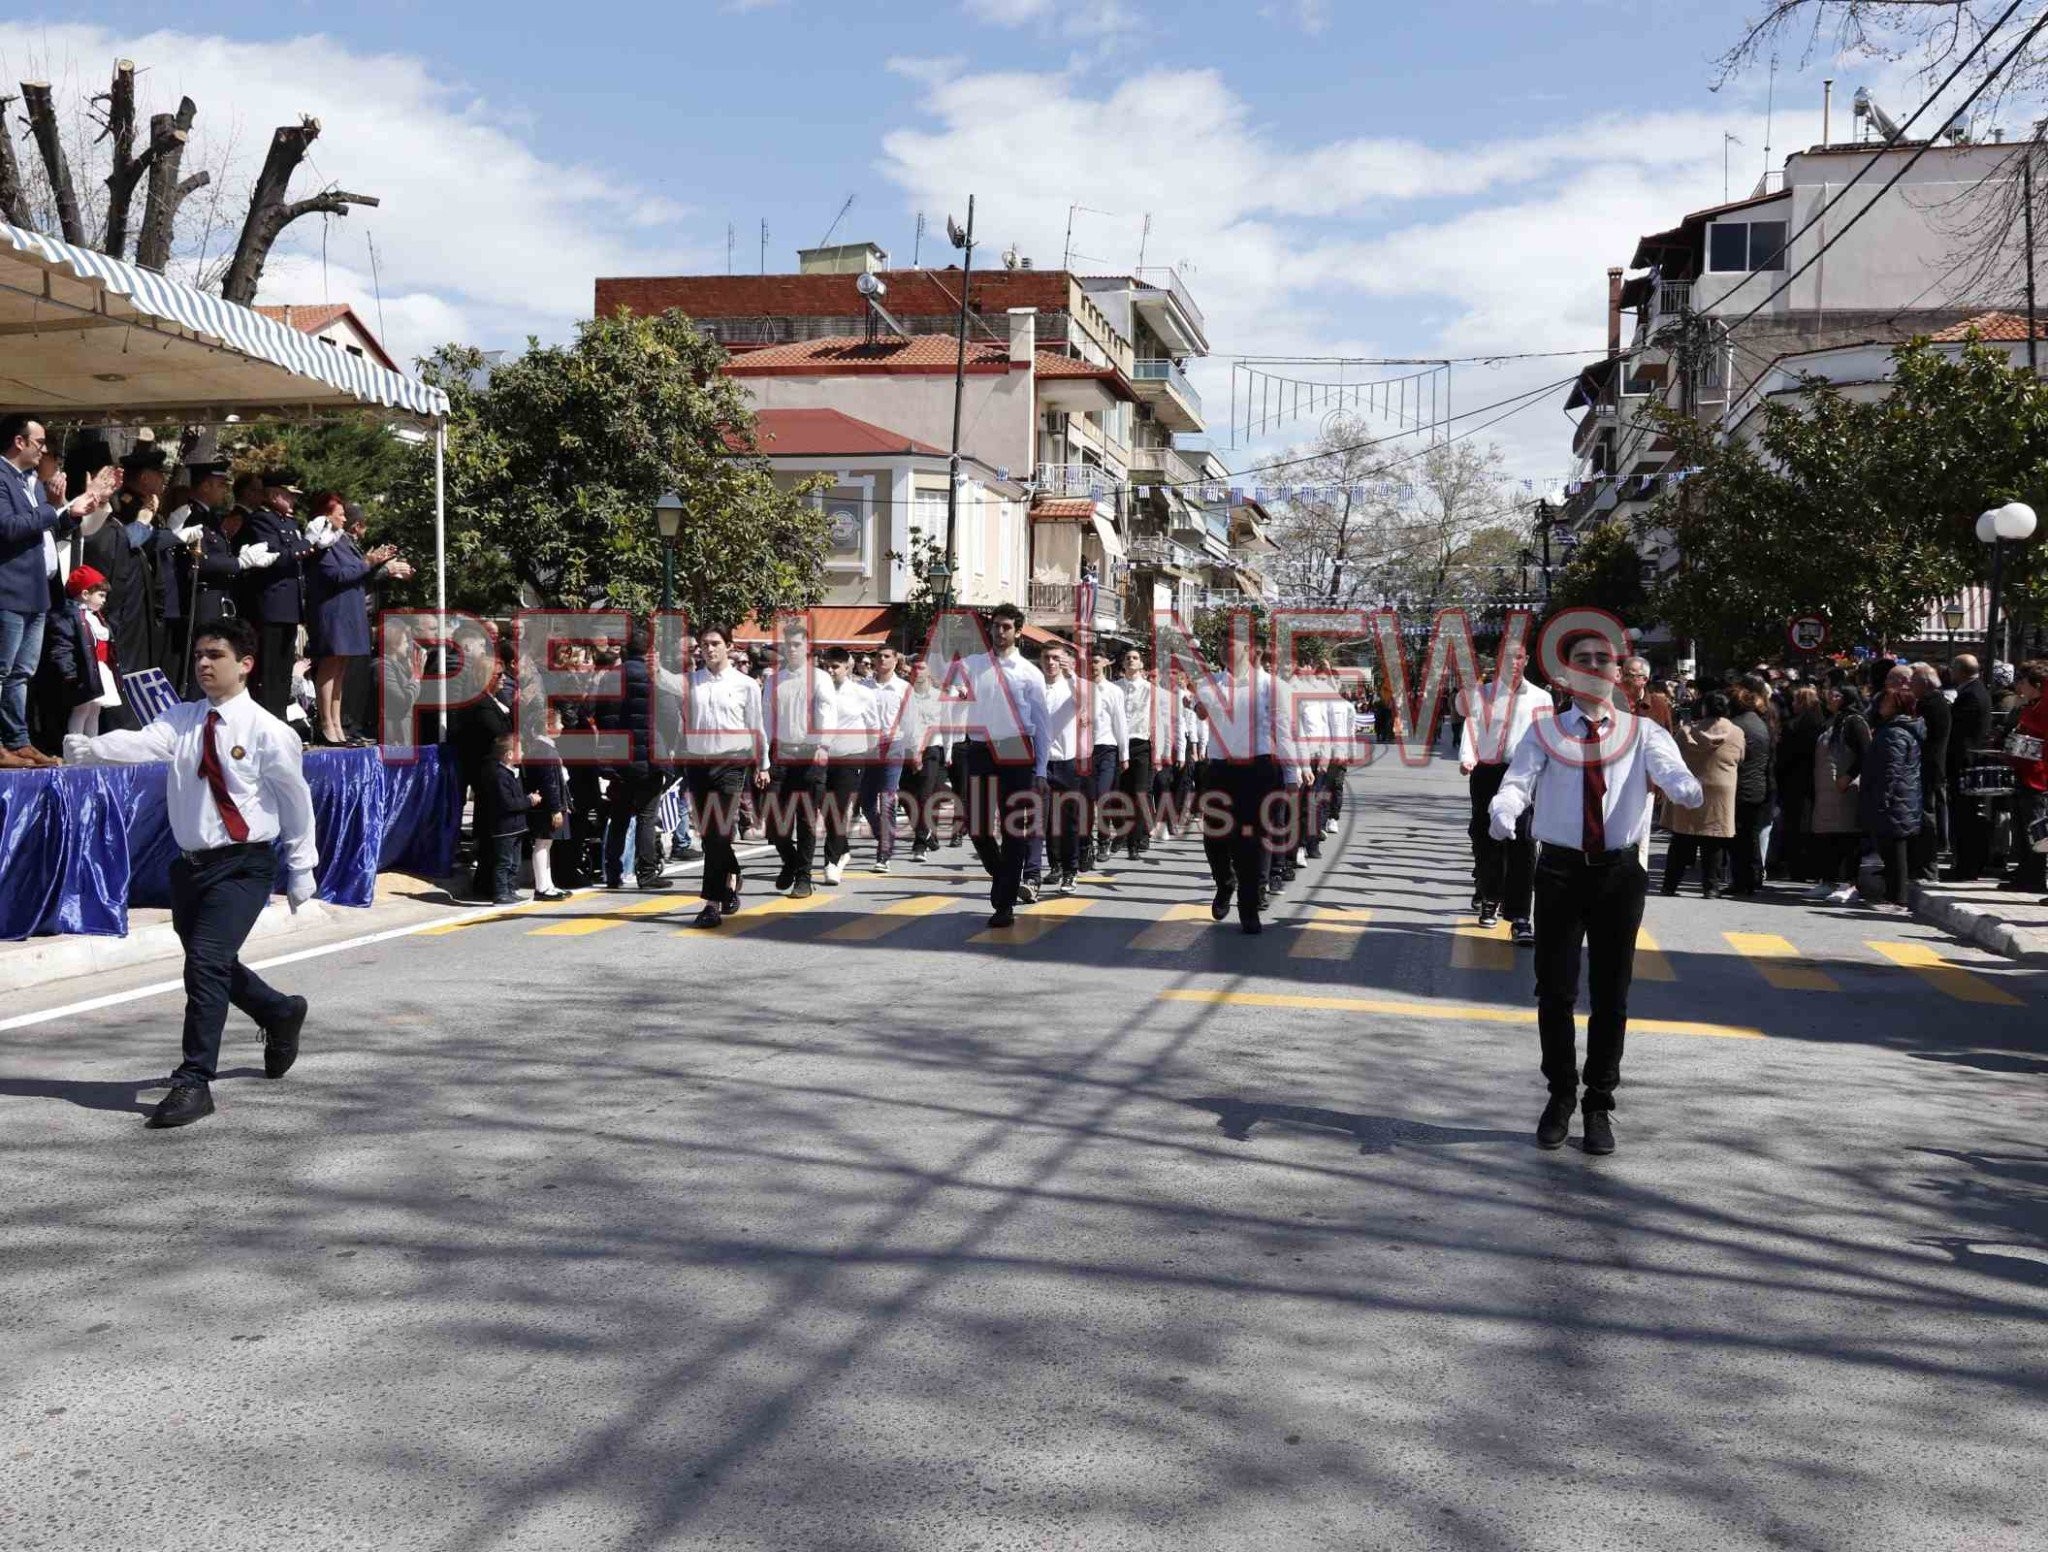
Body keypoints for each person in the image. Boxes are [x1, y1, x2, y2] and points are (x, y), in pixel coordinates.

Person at [61, 617, 316, 1129]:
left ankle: (194, 1080)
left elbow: (296, 801)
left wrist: (301, 865)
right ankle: (278, 1011)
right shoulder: (182, 720)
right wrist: (91, 750)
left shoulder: (270, 732)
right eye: (199, 654)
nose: (203, 663)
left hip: (245, 865)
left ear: (244, 665)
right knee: (211, 964)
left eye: (216, 655)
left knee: (204, 964)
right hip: (191, 868)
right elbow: (142, 743)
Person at [1488, 629, 1704, 1156]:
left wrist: (1683, 788)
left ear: (1615, 673)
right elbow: (1519, 780)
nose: (1593, 667)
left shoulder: (1645, 732)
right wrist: (1504, 808)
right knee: (1555, 991)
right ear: (1567, 675)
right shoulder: (1545, 732)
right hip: (1560, 872)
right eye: (1581, 659)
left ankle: (1599, 1105)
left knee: (1612, 994)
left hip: (1618, 874)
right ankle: (1560, 1096)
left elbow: (1673, 773)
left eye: (1602, 660)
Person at [2, 418, 120, 766]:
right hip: (9, 590)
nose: (44, 449)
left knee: (22, 672)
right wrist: (56, 509)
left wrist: (74, 512)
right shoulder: (3, 478)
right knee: (3, 670)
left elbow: (47, 530)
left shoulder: (34, 484)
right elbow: (9, 527)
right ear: (19, 442)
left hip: (39, 592)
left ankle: (17, 740)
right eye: (39, 442)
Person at [957, 602, 1050, 929]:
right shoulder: (973, 664)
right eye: (995, 626)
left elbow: (1042, 724)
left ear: (1019, 631)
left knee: (1013, 828)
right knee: (978, 826)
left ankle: (1004, 903)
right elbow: (951, 687)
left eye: (1006, 626)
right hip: (981, 748)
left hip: (1016, 747)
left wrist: (1040, 771)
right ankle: (1003, 875)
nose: (999, 632)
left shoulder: (1030, 674)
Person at [1191, 631, 1287, 935]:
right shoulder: (1208, 685)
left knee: (1252, 840)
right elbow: (1199, 709)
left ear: (1250, 649)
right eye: (1221, 643)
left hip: (1259, 769)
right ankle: (1225, 883)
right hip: (1220, 770)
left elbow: (1284, 730)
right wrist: (1197, 708)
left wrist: (1295, 773)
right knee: (1214, 836)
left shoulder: (1271, 687)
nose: (1223, 648)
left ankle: (1249, 907)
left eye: (1230, 643)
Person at [1458, 643, 1549, 939]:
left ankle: (1521, 916)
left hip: (1523, 773)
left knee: (1523, 842)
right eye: (1507, 657)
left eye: (1519, 657)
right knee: (1485, 839)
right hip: (1486, 773)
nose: (1513, 662)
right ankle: (1490, 897)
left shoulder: (1540, 698)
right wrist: (1467, 757)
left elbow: (1548, 739)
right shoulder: (1482, 696)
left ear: (1526, 660)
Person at [305, 492, 407, 746]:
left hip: (349, 612)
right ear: (326, 516)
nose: (344, 519)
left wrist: (376, 563)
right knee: (329, 669)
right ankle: (326, 723)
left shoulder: (344, 542)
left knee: (340, 671)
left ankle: (337, 722)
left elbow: (358, 573)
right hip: (333, 612)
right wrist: (368, 562)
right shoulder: (324, 543)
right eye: (339, 514)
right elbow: (336, 575)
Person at [680, 622, 764, 928]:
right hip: (698, 764)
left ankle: (711, 904)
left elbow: (757, 726)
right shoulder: (690, 683)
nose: (709, 649)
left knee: (719, 832)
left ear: (729, 646)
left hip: (731, 764)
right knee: (709, 835)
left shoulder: (746, 685)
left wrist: (763, 764)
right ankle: (731, 877)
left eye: (715, 643)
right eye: (704, 644)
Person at [597, 617, 672, 893]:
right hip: (649, 760)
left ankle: (613, 872)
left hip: (619, 759)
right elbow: (667, 717)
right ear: (648, 650)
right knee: (646, 816)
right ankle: (646, 871)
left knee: (618, 817)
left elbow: (601, 717)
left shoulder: (609, 678)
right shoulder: (653, 679)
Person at [237, 470, 315, 722]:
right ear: (273, 495)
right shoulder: (261, 521)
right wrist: (306, 544)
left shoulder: (289, 523)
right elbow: (276, 557)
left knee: (283, 668)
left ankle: (279, 718)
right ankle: (267, 720)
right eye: (288, 495)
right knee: (268, 669)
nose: (293, 501)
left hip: (288, 605)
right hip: (269, 604)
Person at [764, 617, 833, 899]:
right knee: (773, 820)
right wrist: (763, 757)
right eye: (787, 645)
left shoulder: (820, 678)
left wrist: (823, 745)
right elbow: (765, 718)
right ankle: (790, 860)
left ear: (807, 648)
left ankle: (803, 877)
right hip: (780, 755)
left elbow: (826, 713)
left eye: (796, 644)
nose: (791, 649)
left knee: (805, 820)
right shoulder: (774, 680)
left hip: (809, 755)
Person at [1663, 692, 1744, 897]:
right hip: (1721, 791)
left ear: (1704, 708)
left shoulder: (1686, 732)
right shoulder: (1737, 733)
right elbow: (1741, 758)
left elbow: (1673, 756)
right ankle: (1711, 888)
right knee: (1713, 841)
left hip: (1691, 788)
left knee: (1681, 839)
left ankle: (1669, 885)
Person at [1860, 680, 1926, 908]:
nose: (1881, 706)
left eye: (1886, 702)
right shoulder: (1897, 729)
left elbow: (1891, 770)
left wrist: (1882, 798)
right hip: (1900, 798)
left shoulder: (1895, 733)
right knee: (1890, 849)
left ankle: (1897, 898)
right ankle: (1892, 895)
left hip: (1896, 800)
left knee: (1894, 851)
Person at [41, 565, 124, 736]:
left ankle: (90, 748)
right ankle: (74, 748)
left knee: (95, 711)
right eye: (100, 595)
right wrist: (69, 672)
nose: (104, 600)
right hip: (83, 672)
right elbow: (63, 646)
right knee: (82, 710)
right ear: (85, 594)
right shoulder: (71, 616)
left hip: (99, 670)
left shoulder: (96, 618)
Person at [1807, 683, 1871, 905]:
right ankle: (1828, 880)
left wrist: (1848, 776)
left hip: (1846, 790)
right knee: (1828, 837)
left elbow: (1865, 754)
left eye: (1835, 695)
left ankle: (1849, 884)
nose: (1830, 698)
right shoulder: (1832, 721)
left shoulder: (1855, 722)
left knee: (1847, 837)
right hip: (1827, 792)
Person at [818, 646, 874, 887]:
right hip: (821, 758)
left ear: (848, 667)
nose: (830, 671)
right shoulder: (817, 693)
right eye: (826, 666)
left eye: (835, 667)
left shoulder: (862, 694)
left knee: (838, 808)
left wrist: (866, 754)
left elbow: (874, 728)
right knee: (824, 807)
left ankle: (831, 862)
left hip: (851, 757)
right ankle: (843, 849)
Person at [858, 643, 912, 874]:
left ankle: (884, 854)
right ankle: (883, 833)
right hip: (869, 748)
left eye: (886, 656)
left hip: (894, 747)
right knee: (866, 802)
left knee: (887, 798)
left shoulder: (903, 688)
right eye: (878, 656)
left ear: (896, 660)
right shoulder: (864, 686)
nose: (881, 660)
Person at [1037, 642, 1084, 893]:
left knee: (1068, 821)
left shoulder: (1073, 686)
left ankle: (1070, 871)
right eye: (1046, 657)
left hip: (1067, 763)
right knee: (1041, 821)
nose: (1051, 662)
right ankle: (1051, 867)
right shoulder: (1034, 686)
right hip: (1039, 763)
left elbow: (1083, 700)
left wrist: (1071, 675)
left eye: (1056, 658)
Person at [2000, 661, 2048, 895]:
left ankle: (2036, 876)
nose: (2020, 686)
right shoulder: (2033, 704)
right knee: (2021, 828)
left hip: (2039, 776)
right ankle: (2025, 873)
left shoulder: (2042, 706)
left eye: (2024, 682)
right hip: (2026, 771)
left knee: (2035, 829)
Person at [1726, 676, 1775, 896]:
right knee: (1751, 836)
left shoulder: (1738, 726)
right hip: (1757, 786)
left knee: (1741, 839)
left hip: (1742, 787)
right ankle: (1752, 877)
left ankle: (1744, 880)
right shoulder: (1759, 723)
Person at [1947, 654, 1994, 881]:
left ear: (1961, 670)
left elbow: (1959, 732)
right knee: (1965, 816)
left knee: (1964, 817)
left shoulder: (1971, 694)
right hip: (1968, 761)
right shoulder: (1975, 690)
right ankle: (1966, 864)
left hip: (1965, 763)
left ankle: (1967, 866)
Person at [1773, 685, 1827, 882]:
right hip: (1817, 781)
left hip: (1794, 782)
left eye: (1796, 701)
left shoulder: (1793, 726)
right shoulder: (1822, 725)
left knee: (1795, 825)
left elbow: (1784, 757)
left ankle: (1797, 868)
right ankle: (1814, 867)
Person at [1083, 652, 1130, 876]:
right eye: (1089, 661)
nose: (1092, 665)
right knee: (1086, 798)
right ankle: (1087, 844)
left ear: (1105, 663)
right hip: (1084, 750)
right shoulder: (1080, 689)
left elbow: (1120, 723)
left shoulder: (1113, 691)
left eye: (1096, 661)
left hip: (1107, 748)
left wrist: (1124, 753)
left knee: (1103, 797)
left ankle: (1103, 840)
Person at [483, 731, 537, 905]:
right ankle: (500, 893)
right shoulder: (499, 775)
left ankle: (511, 889)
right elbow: (508, 803)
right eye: (519, 751)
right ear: (508, 755)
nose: (522, 754)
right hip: (504, 828)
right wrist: (529, 801)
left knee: (515, 862)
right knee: (504, 862)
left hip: (517, 826)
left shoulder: (513, 772)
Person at [1906, 662, 1949, 881]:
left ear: (1924, 683)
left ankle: (1927, 868)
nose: (1909, 686)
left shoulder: (1931, 703)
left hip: (1928, 767)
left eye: (1912, 682)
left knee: (1925, 817)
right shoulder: (1932, 702)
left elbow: (1924, 736)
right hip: (1928, 766)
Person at [525, 707, 571, 904]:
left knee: (546, 844)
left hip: (546, 805)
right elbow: (550, 783)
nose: (562, 726)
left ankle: (548, 884)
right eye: (558, 722)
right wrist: (556, 808)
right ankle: (542, 886)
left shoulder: (542, 747)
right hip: (546, 808)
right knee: (543, 843)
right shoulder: (544, 750)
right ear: (547, 726)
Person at [1117, 647, 1156, 861]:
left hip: (1141, 744)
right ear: (1123, 663)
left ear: (1141, 664)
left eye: (1135, 658)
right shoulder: (1115, 688)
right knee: (1122, 795)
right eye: (1128, 657)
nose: (1131, 660)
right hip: (1118, 745)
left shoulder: (1150, 689)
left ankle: (1135, 841)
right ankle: (1129, 833)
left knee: (1140, 794)